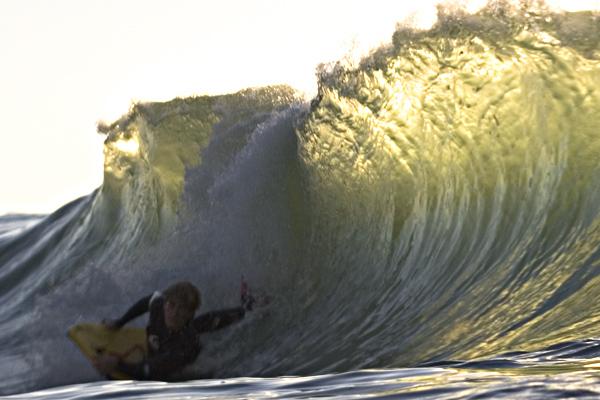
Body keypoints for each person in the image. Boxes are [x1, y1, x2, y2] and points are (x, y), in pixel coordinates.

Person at [93, 279, 255, 380]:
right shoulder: (160, 305)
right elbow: (148, 301)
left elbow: (148, 371)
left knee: (198, 328)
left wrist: (117, 364)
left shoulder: (182, 347)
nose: (174, 312)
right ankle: (244, 307)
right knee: (201, 324)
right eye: (171, 305)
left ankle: (247, 309)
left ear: (190, 313)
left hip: (180, 367)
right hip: (171, 341)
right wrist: (120, 322)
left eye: (182, 309)